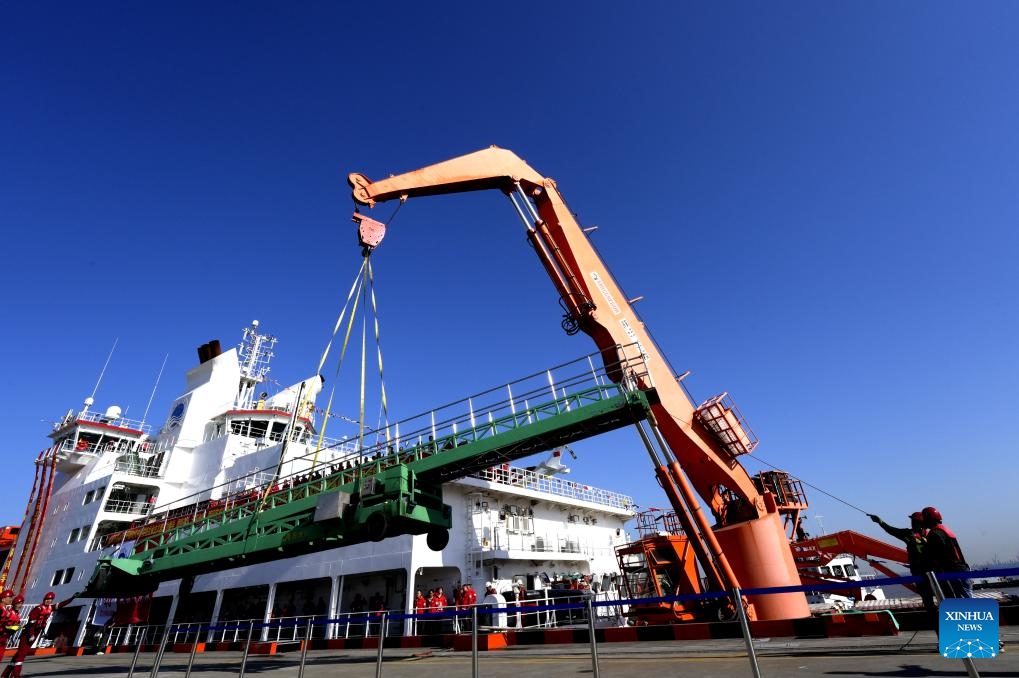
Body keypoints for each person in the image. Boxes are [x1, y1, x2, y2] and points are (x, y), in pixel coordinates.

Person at [868, 512, 935, 613]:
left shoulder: (912, 534)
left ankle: (935, 618)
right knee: (933, 595)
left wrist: (880, 522)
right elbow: (892, 530)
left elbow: (892, 530)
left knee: (928, 597)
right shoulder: (929, 534)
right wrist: (880, 522)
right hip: (930, 571)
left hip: (922, 571)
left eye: (913, 521)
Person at [3, 591, 76, 678]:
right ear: (44, 599)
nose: (48, 601)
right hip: (28, 633)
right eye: (47, 599)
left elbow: (61, 604)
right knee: (22, 654)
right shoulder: (37, 609)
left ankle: (5, 674)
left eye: (50, 599)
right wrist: (31, 634)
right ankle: (15, 675)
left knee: (19, 654)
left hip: (36, 633)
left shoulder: (50, 608)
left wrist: (72, 598)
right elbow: (31, 623)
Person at [921, 506, 973, 599]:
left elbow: (936, 554)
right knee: (966, 597)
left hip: (955, 571)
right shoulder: (944, 529)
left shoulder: (934, 533)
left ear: (929, 520)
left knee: (964, 600)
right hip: (962, 569)